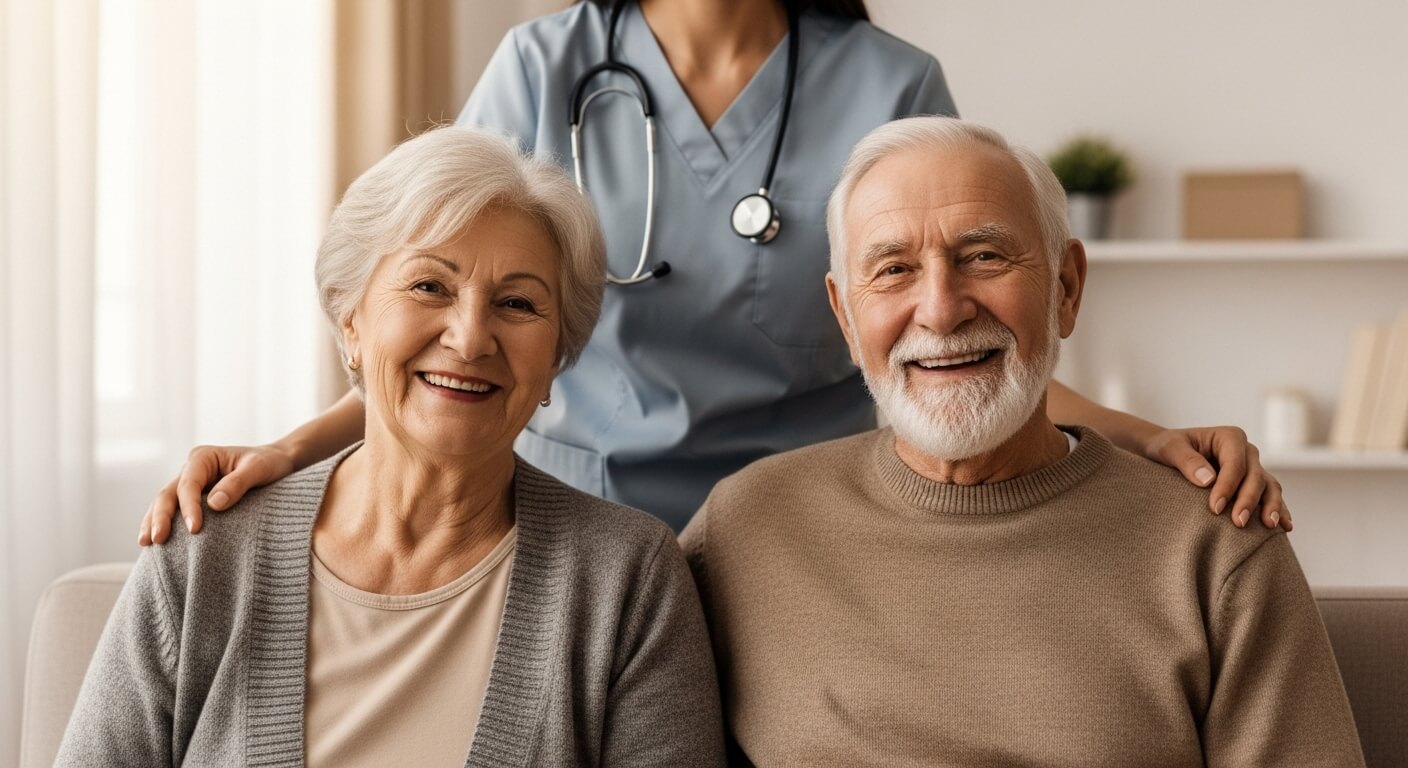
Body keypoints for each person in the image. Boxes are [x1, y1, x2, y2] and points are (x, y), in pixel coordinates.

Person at [140, 0, 1288, 541]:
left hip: (808, 530)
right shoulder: (546, 64)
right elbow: (447, 327)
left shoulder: (888, 81)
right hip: (562, 521)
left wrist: (1139, 436)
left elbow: (950, 337)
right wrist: (287, 451)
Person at [679, 116, 1364, 766]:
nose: (942, 309)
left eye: (983, 256)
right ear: (846, 319)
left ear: (1066, 288)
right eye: (893, 269)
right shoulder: (744, 526)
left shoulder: (1217, 543)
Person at [58, 127, 724, 767]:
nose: (470, 338)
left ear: (555, 358)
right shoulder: (204, 551)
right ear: (351, 318)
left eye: (517, 304)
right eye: (429, 286)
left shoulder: (628, 578)